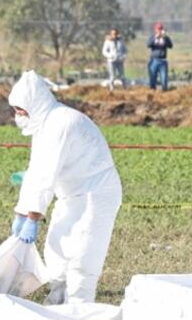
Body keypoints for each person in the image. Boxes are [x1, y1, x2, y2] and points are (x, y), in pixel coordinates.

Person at [8, 71, 122, 304]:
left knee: (82, 258)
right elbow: (35, 171)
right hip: (71, 194)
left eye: (21, 111)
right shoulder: (46, 124)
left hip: (95, 194)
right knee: (58, 252)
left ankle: (79, 310)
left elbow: (46, 176)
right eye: (16, 111)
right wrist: (21, 212)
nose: (18, 116)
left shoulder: (62, 123)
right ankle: (58, 305)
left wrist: (33, 218)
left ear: (35, 105)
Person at [146, 22, 173, 91]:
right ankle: (152, 92)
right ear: (155, 30)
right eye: (158, 29)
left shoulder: (165, 38)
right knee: (153, 78)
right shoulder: (152, 37)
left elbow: (170, 46)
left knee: (164, 79)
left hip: (163, 61)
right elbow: (148, 45)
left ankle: (164, 91)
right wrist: (155, 38)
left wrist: (165, 38)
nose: (159, 31)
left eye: (161, 29)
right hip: (154, 60)